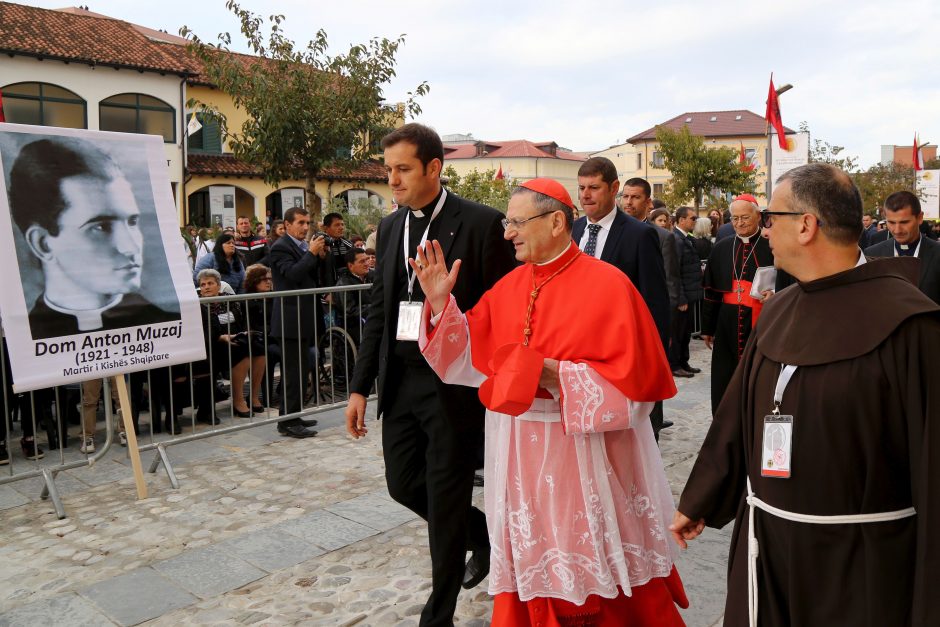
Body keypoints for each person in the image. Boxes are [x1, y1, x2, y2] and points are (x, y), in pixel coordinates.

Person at [671, 163, 940, 626]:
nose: (766, 228)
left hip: (860, 563)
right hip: (767, 543)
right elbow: (738, 414)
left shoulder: (912, 326)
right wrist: (701, 498)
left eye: (772, 217)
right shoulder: (778, 313)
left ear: (807, 225)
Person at [411, 178, 688, 626]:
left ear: (557, 221)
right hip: (518, 451)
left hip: (585, 455)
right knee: (531, 559)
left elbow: (638, 395)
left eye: (517, 222)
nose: (507, 232)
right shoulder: (510, 286)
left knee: (595, 570)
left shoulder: (609, 285)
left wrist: (557, 376)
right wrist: (442, 305)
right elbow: (463, 360)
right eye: (507, 222)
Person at [345, 123, 516, 626]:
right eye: (388, 170)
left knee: (446, 495)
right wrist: (359, 386)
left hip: (454, 384)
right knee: (403, 484)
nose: (392, 180)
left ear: (434, 168)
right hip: (400, 379)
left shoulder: (481, 223)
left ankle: (437, 614)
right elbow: (379, 309)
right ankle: (481, 535)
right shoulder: (391, 226)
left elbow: (500, 308)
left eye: (402, 169)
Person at [9, 137, 178, 340]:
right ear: (43, 244)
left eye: (132, 222)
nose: (131, 247)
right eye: (101, 227)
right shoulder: (21, 342)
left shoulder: (168, 329)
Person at [700, 194, 776, 413]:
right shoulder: (722, 247)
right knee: (725, 374)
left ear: (758, 217)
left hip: (760, 321)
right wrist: (707, 328)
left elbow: (785, 281)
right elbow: (711, 293)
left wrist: (775, 293)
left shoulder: (771, 246)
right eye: (734, 218)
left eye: (745, 217)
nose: (739, 223)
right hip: (726, 322)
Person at [618, 176, 679, 436]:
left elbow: (667, 286)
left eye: (635, 197)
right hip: (617, 324)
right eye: (626, 196)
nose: (629, 202)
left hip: (645, 324)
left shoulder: (662, 237)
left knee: (649, 389)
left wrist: (663, 333)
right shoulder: (614, 232)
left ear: (648, 202)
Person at [266, 207, 324, 438]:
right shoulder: (280, 247)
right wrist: (310, 254)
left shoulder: (301, 247)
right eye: (300, 223)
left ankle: (294, 415)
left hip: (304, 317)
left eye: (307, 223)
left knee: (301, 371)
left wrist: (319, 257)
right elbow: (292, 275)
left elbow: (313, 277)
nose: (305, 227)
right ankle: (287, 422)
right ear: (287, 225)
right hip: (290, 320)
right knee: (292, 372)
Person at [196, 269, 266, 419]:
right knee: (241, 352)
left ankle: (253, 397)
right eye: (203, 285)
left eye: (210, 283)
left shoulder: (230, 300)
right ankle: (238, 401)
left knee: (260, 350)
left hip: (234, 337)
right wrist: (221, 336)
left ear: (219, 285)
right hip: (212, 343)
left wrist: (241, 333)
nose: (206, 287)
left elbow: (238, 322)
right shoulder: (198, 304)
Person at [865, 190, 940, 304]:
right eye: (891, 222)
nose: (897, 230)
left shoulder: (937, 253)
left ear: (920, 218)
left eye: (904, 222)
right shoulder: (872, 253)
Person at [670, 207, 703, 378]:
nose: (694, 221)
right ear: (681, 220)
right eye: (692, 218)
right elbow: (674, 272)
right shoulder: (676, 239)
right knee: (678, 334)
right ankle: (675, 364)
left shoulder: (685, 238)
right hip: (682, 297)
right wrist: (681, 298)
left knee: (686, 333)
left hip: (690, 293)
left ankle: (683, 362)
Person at [332, 248, 372, 345]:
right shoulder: (344, 283)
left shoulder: (373, 276)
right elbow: (350, 310)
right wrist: (373, 308)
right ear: (350, 266)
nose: (367, 263)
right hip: (354, 323)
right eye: (362, 261)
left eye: (367, 259)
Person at [321, 212, 353, 286]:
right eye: (337, 225)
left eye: (342, 224)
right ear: (326, 228)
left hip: (346, 286)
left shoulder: (348, 245)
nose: (341, 227)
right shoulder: (319, 244)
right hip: (325, 289)